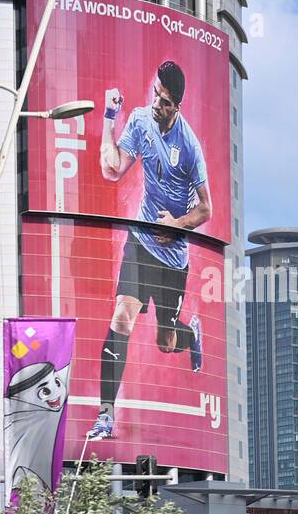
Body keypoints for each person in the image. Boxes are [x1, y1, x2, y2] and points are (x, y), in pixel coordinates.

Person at [88, 59, 213, 442]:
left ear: (178, 106)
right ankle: (105, 415)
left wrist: (174, 226)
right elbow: (112, 170)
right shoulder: (141, 121)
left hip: (173, 257)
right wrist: (110, 117)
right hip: (140, 242)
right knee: (122, 319)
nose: (157, 105)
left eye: (165, 102)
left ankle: (190, 334)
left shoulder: (189, 147)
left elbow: (206, 210)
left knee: (165, 342)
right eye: (155, 95)